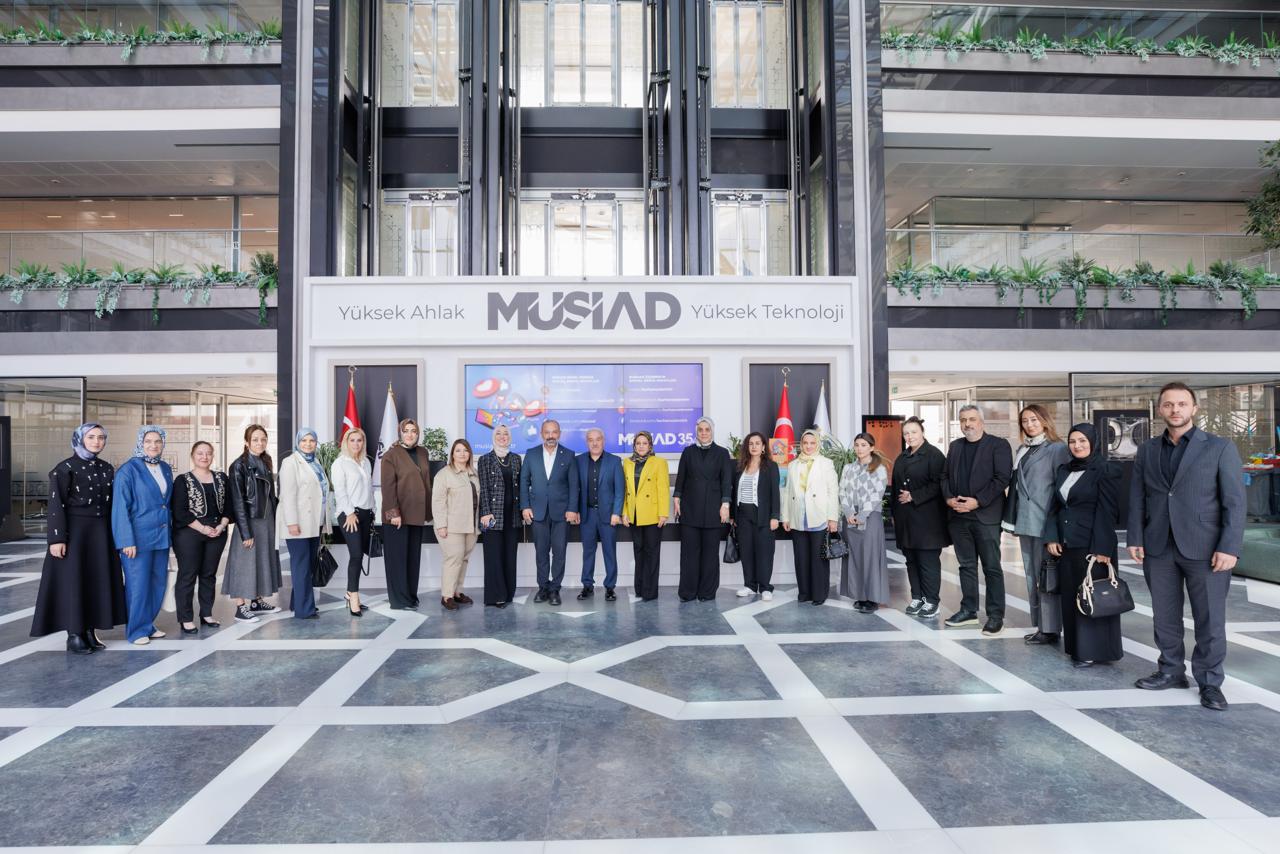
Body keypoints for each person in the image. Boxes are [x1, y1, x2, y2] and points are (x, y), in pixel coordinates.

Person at [1127, 382, 1245, 711]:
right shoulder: (1148, 450)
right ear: (1160, 409)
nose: (1175, 410)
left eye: (1181, 404)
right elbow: (1137, 496)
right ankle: (1171, 670)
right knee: (1164, 616)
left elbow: (1235, 502)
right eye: (1168, 404)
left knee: (1210, 618)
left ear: (1194, 408)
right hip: (1159, 546)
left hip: (1206, 548)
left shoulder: (1220, 447)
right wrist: (1135, 537)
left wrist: (1229, 546)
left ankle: (1210, 682)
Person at [30, 423, 127, 653]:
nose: (96, 441)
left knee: (96, 581)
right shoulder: (64, 469)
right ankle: (74, 634)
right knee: (75, 581)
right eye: (91, 437)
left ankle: (90, 631)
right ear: (80, 439)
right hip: (75, 534)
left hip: (101, 533)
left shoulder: (106, 468)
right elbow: (56, 505)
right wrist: (56, 539)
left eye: (101, 437)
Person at [1044, 424, 1124, 668]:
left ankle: (1095, 651)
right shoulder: (1064, 470)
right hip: (1068, 543)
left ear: (1093, 442)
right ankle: (1078, 649)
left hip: (1093, 543)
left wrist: (1103, 548)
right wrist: (1052, 537)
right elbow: (1056, 506)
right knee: (1073, 596)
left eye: (1082, 441)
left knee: (1095, 596)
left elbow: (1108, 511)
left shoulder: (1106, 469)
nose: (1077, 445)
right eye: (1072, 441)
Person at [942, 404, 1013, 635]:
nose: (967, 424)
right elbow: (944, 476)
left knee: (991, 567)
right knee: (966, 566)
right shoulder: (955, 446)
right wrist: (949, 499)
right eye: (963, 420)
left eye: (972, 419)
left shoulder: (998, 445)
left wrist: (978, 501)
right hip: (958, 517)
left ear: (981, 422)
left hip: (986, 516)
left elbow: (1002, 478)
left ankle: (995, 616)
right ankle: (968, 610)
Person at [1005, 405, 1071, 645]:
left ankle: (1050, 629)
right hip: (1026, 522)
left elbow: (1061, 491)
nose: (1029, 424)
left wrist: (1055, 529)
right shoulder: (1023, 449)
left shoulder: (1057, 449)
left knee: (1047, 576)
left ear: (1044, 421)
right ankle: (1042, 625)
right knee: (1033, 575)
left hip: (1045, 522)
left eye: (1034, 419)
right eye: (1025, 421)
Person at [112, 426, 174, 645]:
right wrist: (126, 541)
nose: (153, 445)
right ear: (140, 443)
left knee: (158, 583)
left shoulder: (165, 468)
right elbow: (120, 508)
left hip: (161, 536)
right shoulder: (128, 470)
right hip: (137, 539)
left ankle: (148, 624)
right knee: (138, 586)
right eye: (148, 441)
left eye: (157, 441)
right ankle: (136, 630)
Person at [170, 441, 231, 634]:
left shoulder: (222, 478)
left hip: (218, 531)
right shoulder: (182, 480)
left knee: (208, 574)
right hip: (190, 532)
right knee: (188, 574)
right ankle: (185, 618)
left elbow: (230, 506)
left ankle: (206, 614)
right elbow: (180, 512)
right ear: (192, 456)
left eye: (208, 453)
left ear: (213, 455)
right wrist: (203, 529)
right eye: (200, 453)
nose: (204, 457)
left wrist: (221, 526)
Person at [225, 424, 283, 623]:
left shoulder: (265, 461)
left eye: (263, 439)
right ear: (247, 442)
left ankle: (256, 602)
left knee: (260, 561)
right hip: (250, 521)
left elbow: (270, 495)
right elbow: (238, 501)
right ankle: (240, 607)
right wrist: (245, 532)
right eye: (255, 439)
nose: (260, 443)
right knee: (244, 563)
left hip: (266, 520)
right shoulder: (238, 466)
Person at [892, 416, 949, 619]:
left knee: (927, 561)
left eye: (913, 432)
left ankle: (932, 601)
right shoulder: (902, 457)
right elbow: (895, 487)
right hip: (905, 518)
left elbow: (939, 485)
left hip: (928, 520)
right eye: (906, 433)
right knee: (911, 560)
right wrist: (894, 514)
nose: (910, 436)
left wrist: (914, 496)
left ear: (922, 432)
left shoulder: (934, 455)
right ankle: (917, 597)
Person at [673, 417, 733, 602]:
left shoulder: (722, 453)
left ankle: (707, 592)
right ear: (696, 432)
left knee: (710, 555)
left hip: (713, 510)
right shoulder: (688, 452)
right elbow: (681, 478)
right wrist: (676, 499)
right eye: (701, 430)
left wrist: (725, 505)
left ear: (712, 431)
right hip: (689, 509)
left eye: (707, 429)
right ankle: (688, 592)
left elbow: (726, 481)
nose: (704, 433)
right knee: (689, 554)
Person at [519, 419, 579, 607]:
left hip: (562, 514)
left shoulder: (569, 455)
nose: (551, 436)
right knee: (541, 552)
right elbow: (524, 481)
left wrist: (572, 509)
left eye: (554, 432)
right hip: (537, 512)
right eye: (547, 432)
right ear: (541, 434)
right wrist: (525, 506)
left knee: (559, 552)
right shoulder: (531, 454)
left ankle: (555, 589)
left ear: (559, 434)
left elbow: (574, 485)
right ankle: (543, 587)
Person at [781, 429, 840, 606]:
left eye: (812, 443)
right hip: (798, 517)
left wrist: (833, 518)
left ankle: (819, 594)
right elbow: (787, 492)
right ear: (801, 444)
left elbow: (833, 491)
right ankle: (804, 592)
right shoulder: (793, 464)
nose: (808, 446)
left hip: (819, 516)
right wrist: (786, 517)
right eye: (805, 443)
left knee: (818, 558)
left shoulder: (826, 463)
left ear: (817, 444)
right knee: (801, 558)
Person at [278, 428, 332, 620]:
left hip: (314, 523)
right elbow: (288, 495)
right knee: (301, 566)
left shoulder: (315, 462)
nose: (308, 444)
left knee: (307, 565)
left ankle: (297, 603)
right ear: (297, 442)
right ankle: (304, 610)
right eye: (304, 440)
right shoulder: (290, 462)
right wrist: (292, 522)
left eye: (312, 441)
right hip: (298, 523)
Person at [380, 418, 433, 610]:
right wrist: (393, 513)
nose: (410, 434)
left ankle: (410, 596)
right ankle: (399, 600)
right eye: (406, 431)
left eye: (413, 431)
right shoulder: (390, 455)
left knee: (412, 558)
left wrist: (429, 512)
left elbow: (426, 482)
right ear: (400, 433)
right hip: (397, 517)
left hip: (417, 514)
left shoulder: (423, 452)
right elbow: (388, 488)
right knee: (398, 560)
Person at [838, 433, 890, 613]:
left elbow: (877, 494)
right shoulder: (848, 468)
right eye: (857, 445)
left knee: (870, 557)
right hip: (850, 518)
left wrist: (861, 515)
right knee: (854, 557)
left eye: (863, 445)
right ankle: (860, 595)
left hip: (870, 517)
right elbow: (842, 491)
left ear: (871, 447)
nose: (859, 448)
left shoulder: (879, 469)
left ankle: (872, 598)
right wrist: (848, 512)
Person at [576, 428, 625, 602]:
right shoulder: (579, 461)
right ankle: (587, 586)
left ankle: (610, 587)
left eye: (598, 439)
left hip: (608, 516)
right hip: (587, 515)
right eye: (591, 440)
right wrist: (575, 510)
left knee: (609, 551)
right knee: (588, 552)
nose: (595, 443)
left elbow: (620, 490)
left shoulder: (614, 461)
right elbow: (575, 488)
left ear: (603, 441)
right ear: (587, 442)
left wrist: (616, 512)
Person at [433, 438, 481, 610]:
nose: (462, 453)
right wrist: (441, 525)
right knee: (453, 559)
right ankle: (447, 596)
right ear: (452, 454)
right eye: (458, 450)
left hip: (471, 525)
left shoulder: (474, 474)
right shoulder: (444, 474)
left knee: (464, 559)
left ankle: (457, 592)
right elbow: (438, 501)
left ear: (470, 454)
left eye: (465, 450)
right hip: (452, 526)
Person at [731, 432, 780, 600]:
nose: (754, 446)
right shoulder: (740, 466)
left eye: (757, 443)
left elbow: (775, 493)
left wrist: (775, 516)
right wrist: (733, 515)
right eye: (751, 443)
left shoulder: (771, 466)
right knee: (747, 552)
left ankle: (765, 587)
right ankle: (750, 585)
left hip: (763, 516)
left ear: (763, 446)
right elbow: (734, 492)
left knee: (765, 552)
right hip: (743, 516)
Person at [621, 431, 670, 601]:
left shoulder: (659, 462)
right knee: (638, 551)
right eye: (638, 443)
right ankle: (640, 589)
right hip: (634, 514)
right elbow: (625, 490)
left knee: (652, 552)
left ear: (650, 445)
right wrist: (624, 513)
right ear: (634, 445)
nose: (641, 446)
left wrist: (663, 513)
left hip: (653, 514)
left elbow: (663, 489)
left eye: (644, 443)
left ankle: (650, 591)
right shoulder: (627, 463)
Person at [331, 427, 374, 617]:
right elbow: (340, 491)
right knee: (356, 555)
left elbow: (369, 489)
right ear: (346, 442)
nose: (356, 444)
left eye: (359, 440)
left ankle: (350, 592)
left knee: (359, 555)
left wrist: (372, 510)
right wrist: (349, 513)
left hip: (365, 513)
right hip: (349, 514)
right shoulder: (340, 463)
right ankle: (354, 597)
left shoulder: (365, 462)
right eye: (352, 440)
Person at [478, 424, 522, 608]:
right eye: (498, 433)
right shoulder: (485, 459)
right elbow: (484, 488)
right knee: (493, 556)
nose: (502, 436)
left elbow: (520, 487)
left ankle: (508, 593)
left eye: (506, 434)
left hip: (513, 516)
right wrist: (485, 512)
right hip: (492, 516)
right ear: (493, 437)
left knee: (510, 555)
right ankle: (496, 595)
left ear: (509, 437)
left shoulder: (516, 459)